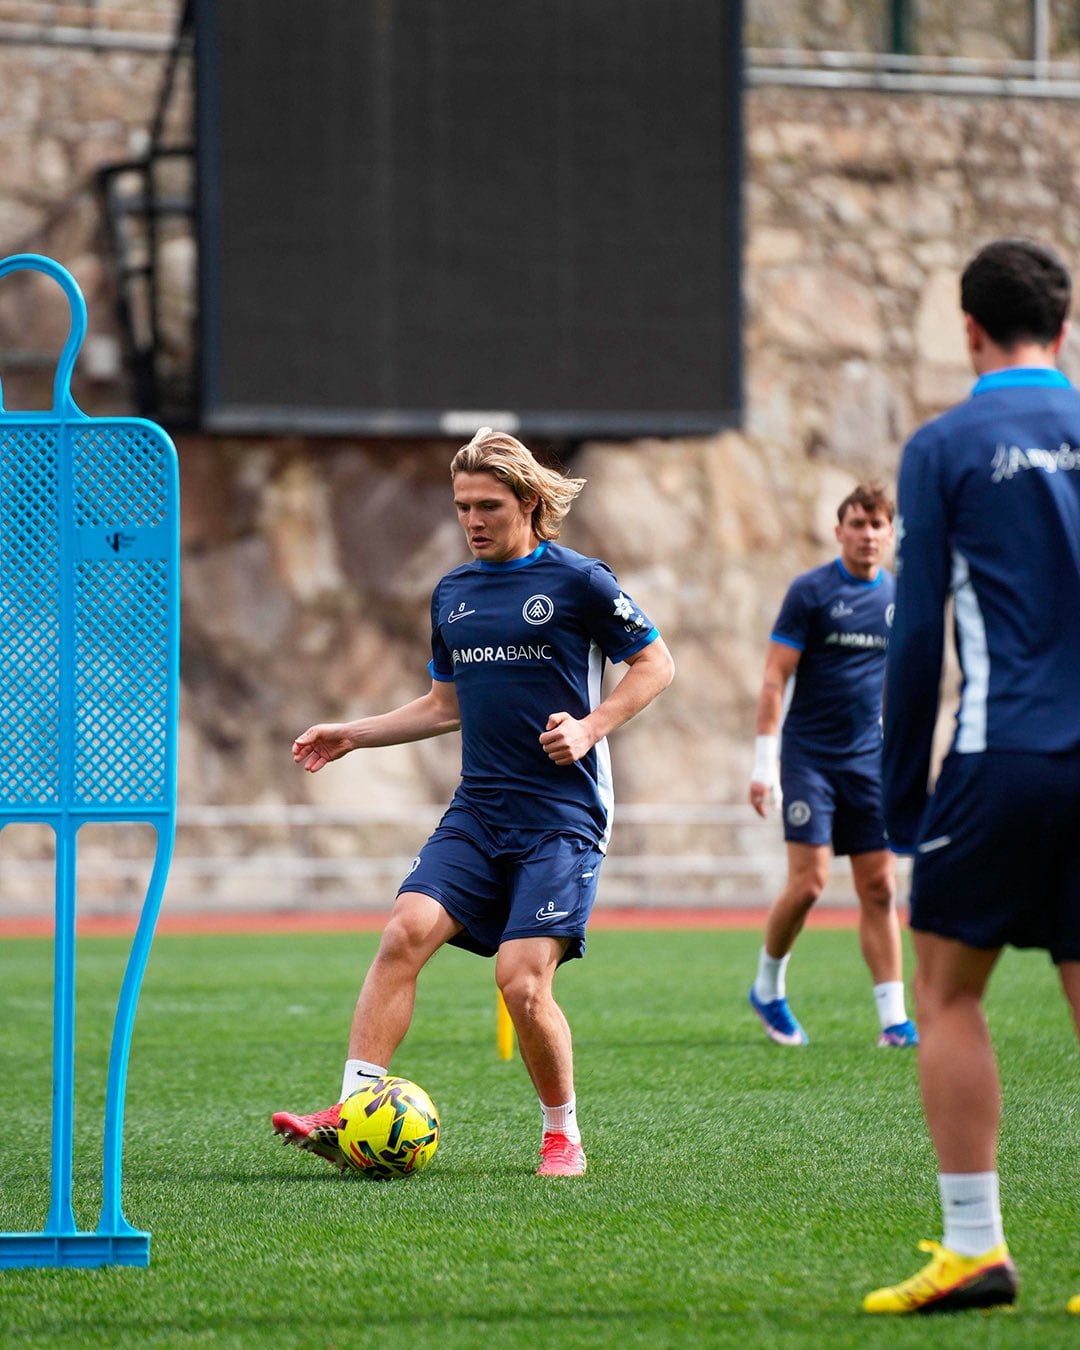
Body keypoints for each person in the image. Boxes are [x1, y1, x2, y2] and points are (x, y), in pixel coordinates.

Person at [272, 428, 674, 1178]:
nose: (473, 519)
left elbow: (655, 663)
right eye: (463, 507)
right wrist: (353, 734)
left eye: (488, 505)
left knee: (521, 981)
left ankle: (562, 1134)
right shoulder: (453, 594)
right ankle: (350, 1109)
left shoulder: (582, 581)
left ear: (528, 502)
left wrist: (591, 727)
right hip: (480, 808)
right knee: (404, 931)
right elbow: (442, 705)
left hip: (563, 816)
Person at [864, 238, 1080, 1315]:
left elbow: (916, 638)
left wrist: (901, 797)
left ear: (968, 329)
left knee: (946, 993)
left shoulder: (945, 444)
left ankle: (976, 1248)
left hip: (1004, 761)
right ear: (1067, 323)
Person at [747, 483, 917, 1049]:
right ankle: (768, 989)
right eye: (858, 524)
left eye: (878, 526)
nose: (868, 535)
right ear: (839, 530)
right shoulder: (811, 592)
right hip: (809, 759)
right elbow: (775, 678)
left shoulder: (899, 595)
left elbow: (898, 685)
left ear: (890, 535)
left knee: (880, 887)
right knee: (810, 883)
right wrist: (764, 763)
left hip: (869, 762)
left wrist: (903, 756)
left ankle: (894, 1019)